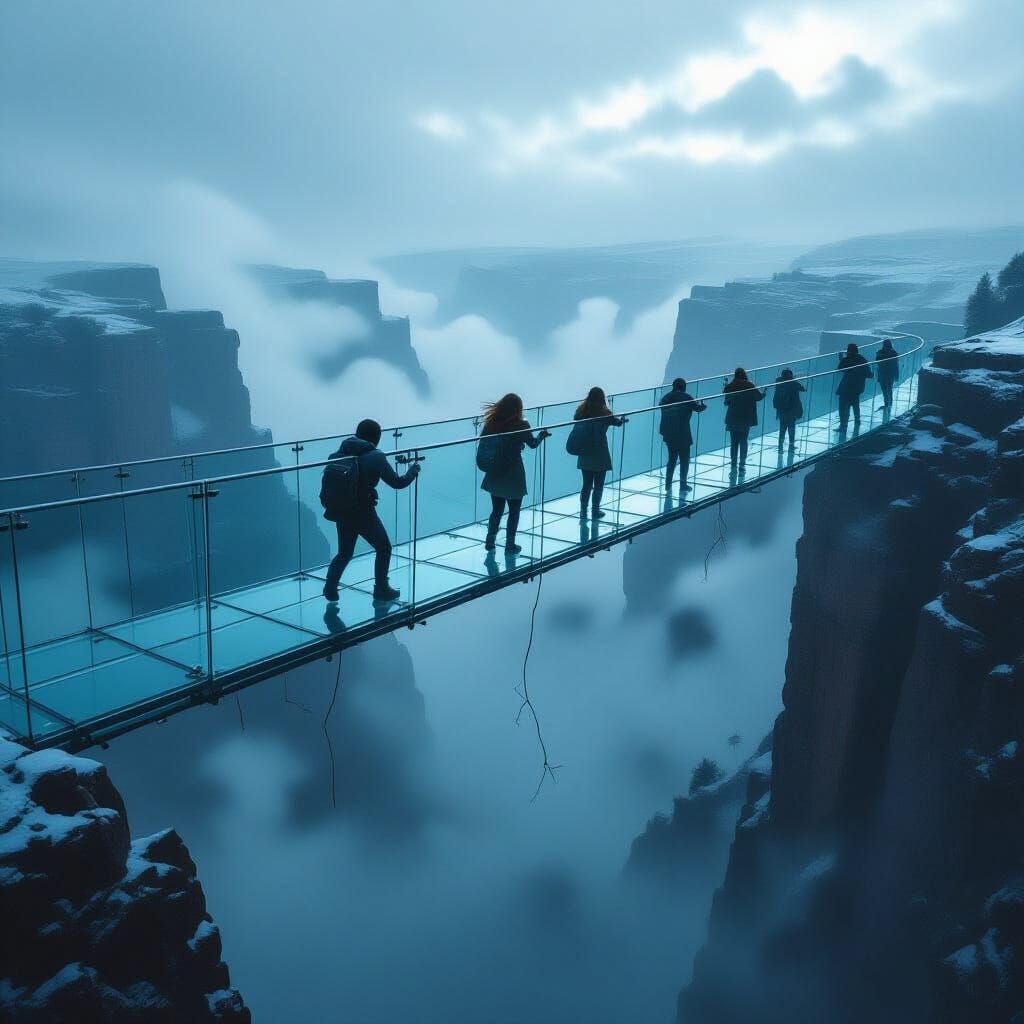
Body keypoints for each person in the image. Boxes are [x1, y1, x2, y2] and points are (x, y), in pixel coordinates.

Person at [322, 418, 420, 604]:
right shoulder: (376, 456)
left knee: (345, 552)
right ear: (376, 437)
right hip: (363, 512)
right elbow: (397, 483)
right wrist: (412, 471)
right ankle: (381, 589)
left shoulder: (340, 452)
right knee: (384, 548)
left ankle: (330, 586)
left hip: (342, 510)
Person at [479, 393, 549, 553]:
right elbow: (532, 444)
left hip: (494, 471)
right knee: (514, 510)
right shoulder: (521, 425)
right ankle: (510, 545)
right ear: (518, 409)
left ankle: (490, 541)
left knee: (496, 509)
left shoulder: (491, 423)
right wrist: (541, 436)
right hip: (513, 472)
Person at [571, 387, 624, 518]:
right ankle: (595, 510)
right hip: (600, 452)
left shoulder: (581, 412)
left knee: (586, 484)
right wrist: (622, 419)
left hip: (584, 452)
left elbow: (576, 420)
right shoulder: (604, 413)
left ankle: (583, 511)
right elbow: (617, 423)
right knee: (598, 484)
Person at [659, 377, 707, 491]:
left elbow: (661, 406)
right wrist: (703, 406)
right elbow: (697, 408)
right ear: (683, 387)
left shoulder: (666, 398)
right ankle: (683, 484)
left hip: (669, 434)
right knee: (684, 460)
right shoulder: (686, 397)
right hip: (683, 433)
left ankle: (668, 484)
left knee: (672, 460)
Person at [723, 368, 764, 475]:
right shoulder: (750, 385)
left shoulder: (730, 386)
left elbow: (726, 402)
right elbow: (758, 397)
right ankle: (742, 465)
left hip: (733, 417)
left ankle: (733, 466)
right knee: (743, 440)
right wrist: (764, 393)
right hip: (746, 417)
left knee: (734, 443)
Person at [835, 342, 872, 434]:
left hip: (846, 387)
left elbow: (840, 368)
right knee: (855, 404)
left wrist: (842, 359)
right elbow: (869, 374)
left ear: (848, 351)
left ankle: (843, 425)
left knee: (843, 406)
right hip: (857, 387)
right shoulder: (862, 359)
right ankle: (857, 421)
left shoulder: (847, 359)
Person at [772, 368, 806, 450]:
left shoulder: (778, 382)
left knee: (782, 428)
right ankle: (791, 445)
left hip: (781, 410)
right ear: (790, 375)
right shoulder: (793, 383)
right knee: (791, 428)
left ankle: (780, 446)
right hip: (791, 410)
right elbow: (803, 389)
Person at [875, 338, 899, 411]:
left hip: (883, 374)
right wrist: (896, 375)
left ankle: (887, 404)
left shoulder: (880, 352)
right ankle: (889, 404)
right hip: (889, 374)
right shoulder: (894, 353)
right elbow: (896, 365)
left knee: (885, 390)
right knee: (888, 390)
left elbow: (877, 361)